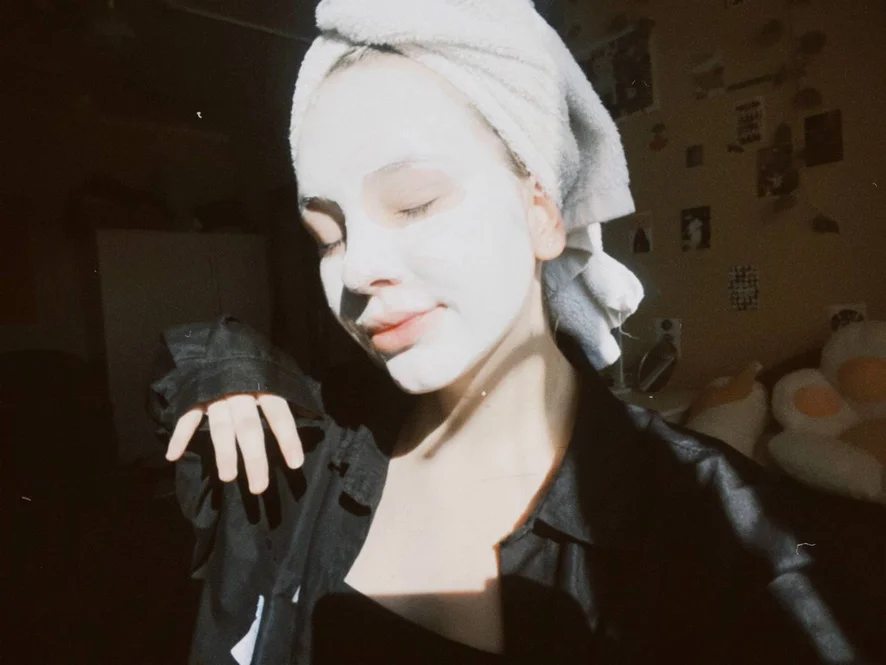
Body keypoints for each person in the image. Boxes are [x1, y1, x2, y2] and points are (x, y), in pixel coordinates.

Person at [149, 2, 885, 664]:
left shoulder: (727, 542)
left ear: (541, 214)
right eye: (328, 236)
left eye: (413, 203)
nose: (358, 269)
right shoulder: (308, 465)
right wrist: (222, 366)